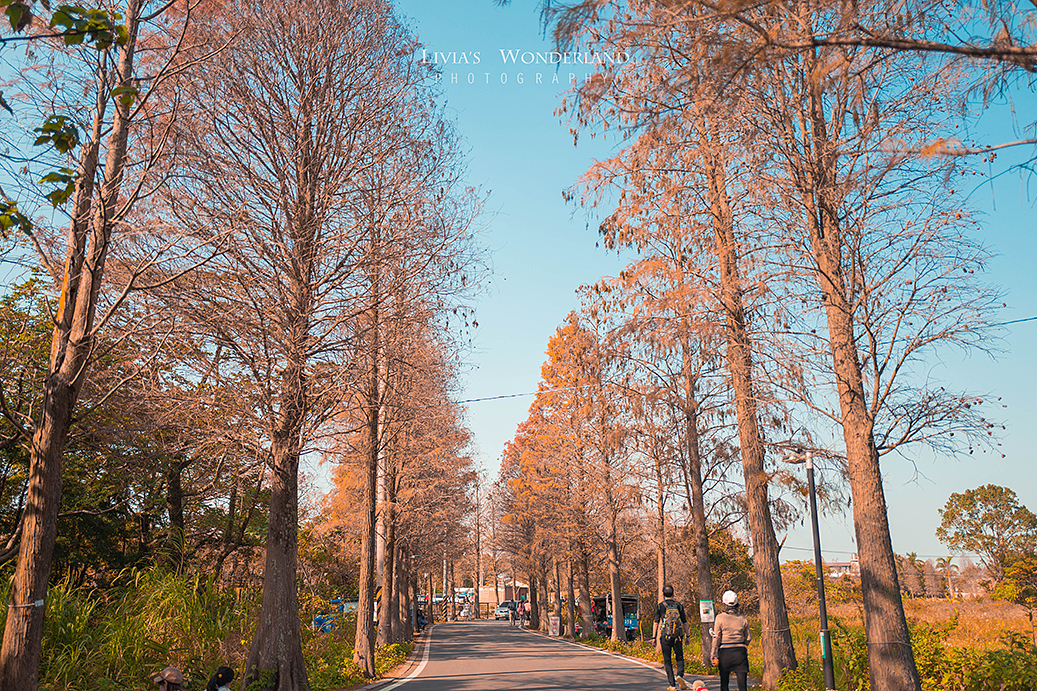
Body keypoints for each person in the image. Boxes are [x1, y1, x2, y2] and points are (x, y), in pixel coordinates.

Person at [710, 590, 752, 691]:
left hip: (725, 652)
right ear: (737, 603)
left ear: (724, 603)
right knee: (742, 686)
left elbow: (716, 637)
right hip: (740, 653)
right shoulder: (742, 618)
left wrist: (713, 653)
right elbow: (748, 638)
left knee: (724, 684)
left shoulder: (719, 618)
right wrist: (743, 643)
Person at [652, 584, 689, 691]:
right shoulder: (679, 605)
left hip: (665, 636)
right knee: (679, 657)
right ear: (673, 594)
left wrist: (653, 637)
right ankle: (680, 676)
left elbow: (656, 622)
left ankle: (672, 685)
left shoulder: (660, 606)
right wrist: (687, 636)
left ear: (663, 594)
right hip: (678, 636)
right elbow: (685, 622)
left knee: (667, 660)